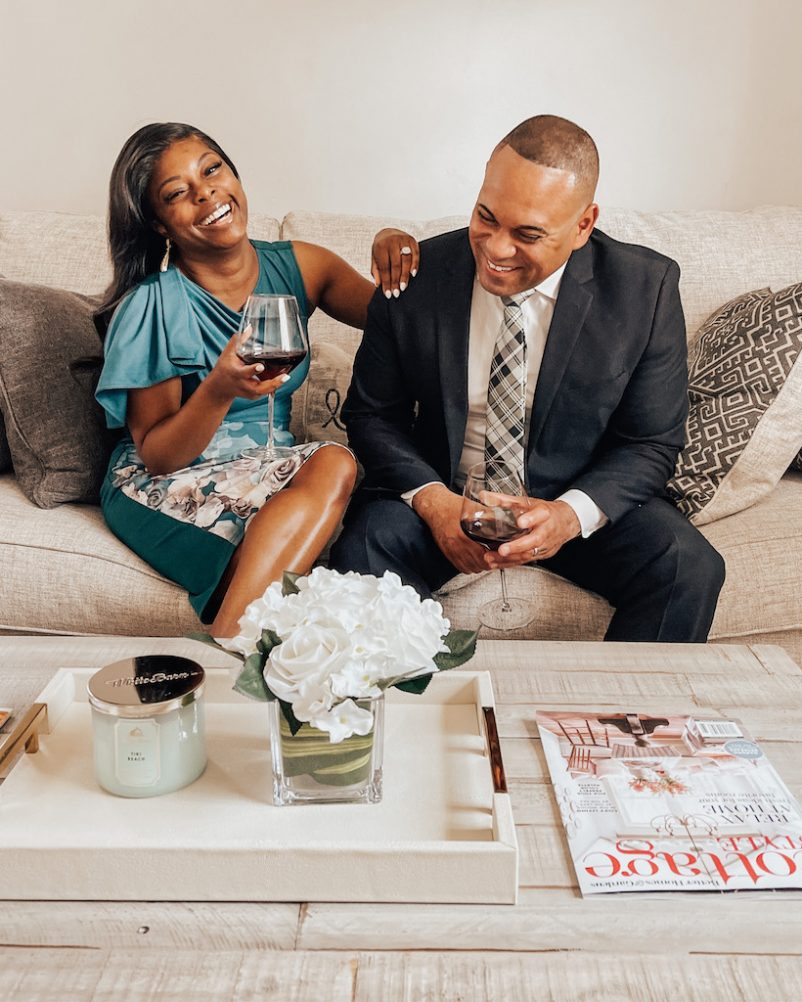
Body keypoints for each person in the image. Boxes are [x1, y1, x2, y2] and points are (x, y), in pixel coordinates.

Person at [331, 115, 725, 642]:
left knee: (688, 566)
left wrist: (568, 515)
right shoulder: (415, 275)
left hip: (569, 499)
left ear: (583, 225)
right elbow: (372, 414)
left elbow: (650, 442)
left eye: (528, 234)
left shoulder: (644, 290)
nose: (494, 249)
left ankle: (616, 721)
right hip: (447, 498)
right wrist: (436, 503)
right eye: (486, 217)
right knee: (364, 547)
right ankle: (414, 712)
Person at [95, 122, 419, 637]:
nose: (206, 194)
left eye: (212, 170)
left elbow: (404, 318)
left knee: (338, 487)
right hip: (166, 481)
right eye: (178, 193)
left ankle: (231, 656)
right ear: (159, 223)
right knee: (334, 465)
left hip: (271, 471)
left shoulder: (302, 267)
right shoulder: (151, 306)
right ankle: (228, 653)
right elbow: (157, 456)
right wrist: (220, 388)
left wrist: (394, 250)